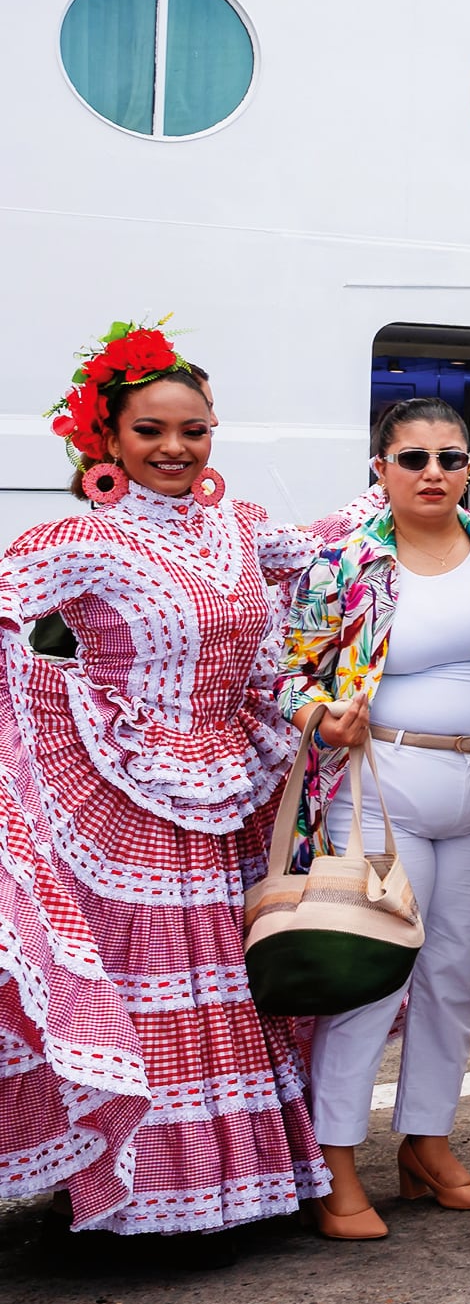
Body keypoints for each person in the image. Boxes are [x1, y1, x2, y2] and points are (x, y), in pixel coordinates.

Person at [0, 324, 330, 1235]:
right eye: (151, 431)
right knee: (154, 981)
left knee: (237, 978)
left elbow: (338, 555)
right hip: (129, 795)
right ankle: (140, 1198)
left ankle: (238, 1185)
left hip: (237, 789)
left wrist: (450, 520)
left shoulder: (242, 527)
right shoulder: (81, 537)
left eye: (194, 429)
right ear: (107, 440)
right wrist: (54, 703)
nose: (175, 448)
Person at [286, 398, 470, 1237]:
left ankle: (427, 1141)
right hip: (381, 788)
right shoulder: (345, 563)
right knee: (371, 976)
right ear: (379, 467)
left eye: (451, 459)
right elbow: (285, 673)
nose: (433, 474)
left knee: (454, 980)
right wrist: (318, 715)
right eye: (413, 458)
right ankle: (335, 1161)